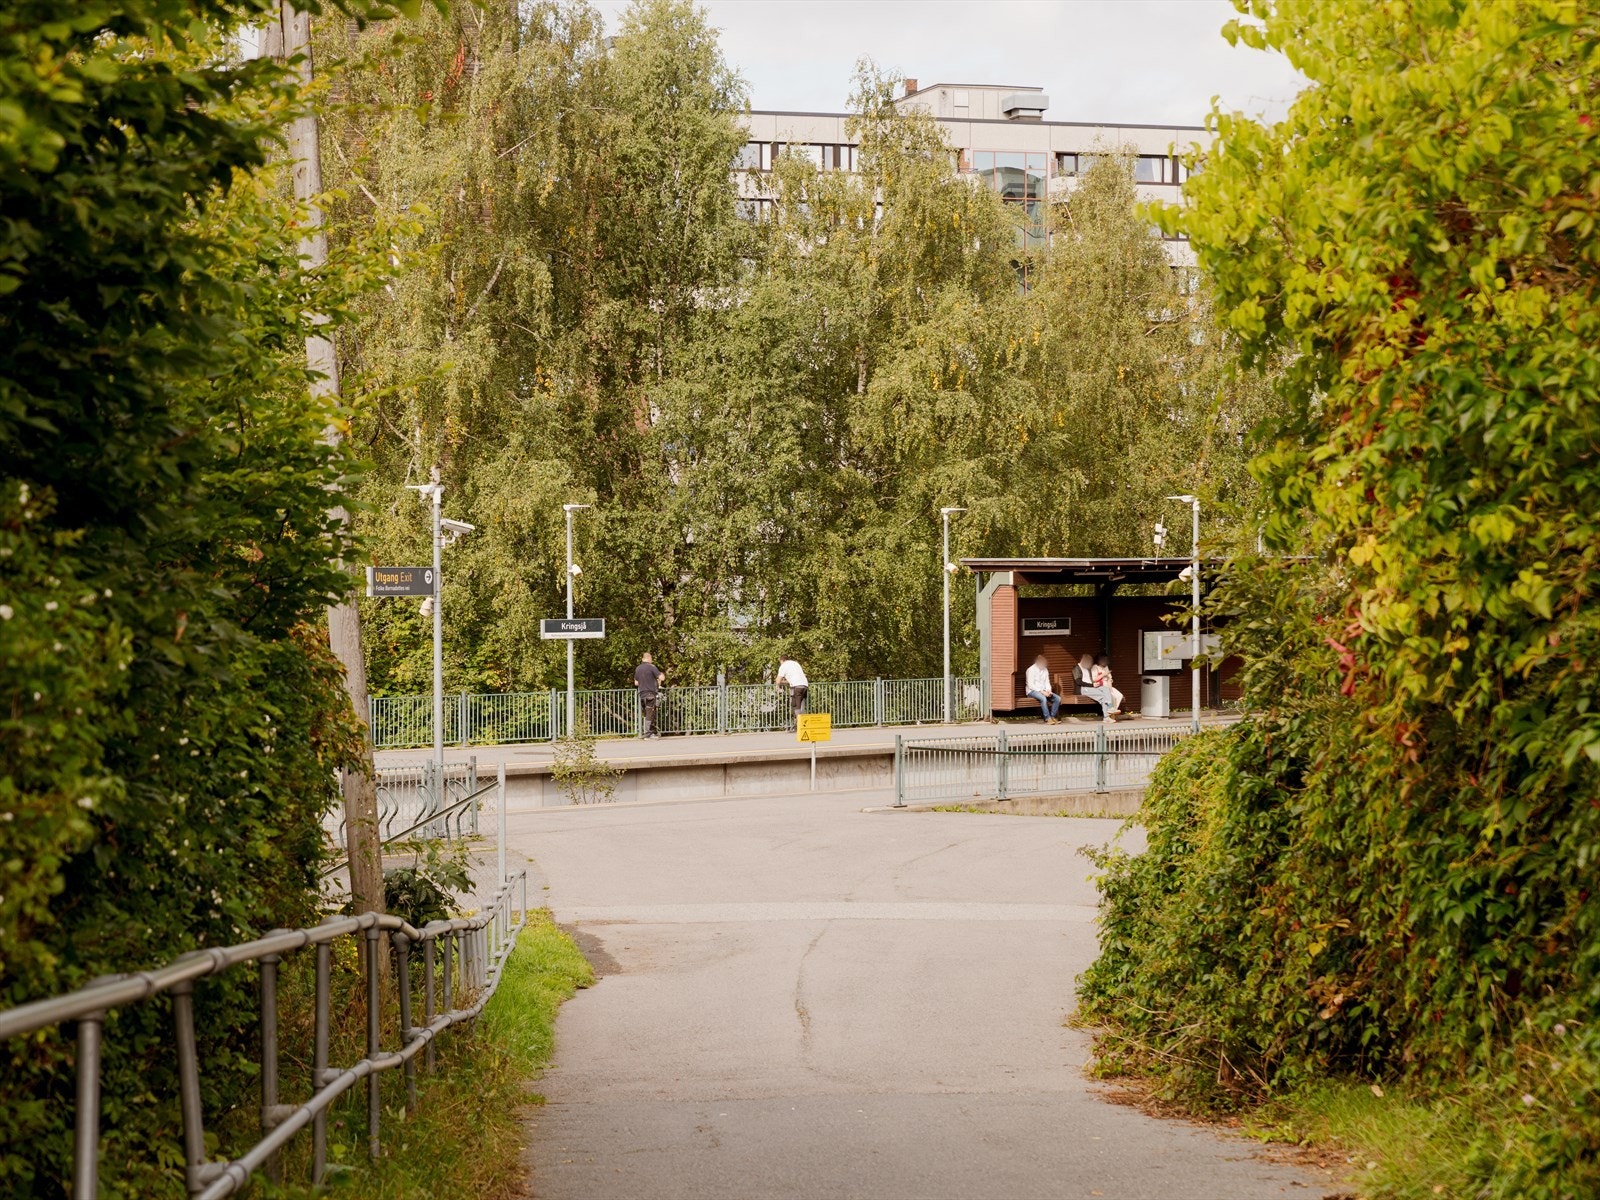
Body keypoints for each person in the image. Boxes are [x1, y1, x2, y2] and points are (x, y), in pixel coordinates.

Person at [1074, 651, 1118, 720]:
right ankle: (1106, 717)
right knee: (1103, 696)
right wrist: (1092, 685)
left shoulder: (1088, 668)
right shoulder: (1076, 668)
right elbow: (1078, 682)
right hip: (1083, 688)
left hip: (1091, 687)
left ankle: (1110, 707)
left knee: (1105, 689)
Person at [634, 652, 665, 738]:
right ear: (649, 658)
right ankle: (648, 733)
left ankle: (651, 732)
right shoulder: (652, 667)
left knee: (647, 713)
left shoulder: (638, 668)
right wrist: (661, 674)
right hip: (651, 693)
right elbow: (661, 678)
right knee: (650, 713)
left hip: (642, 694)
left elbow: (636, 683)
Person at [1024, 653, 1060, 723]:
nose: (1044, 665)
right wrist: (1042, 692)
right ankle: (1047, 718)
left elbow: (1047, 682)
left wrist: (1049, 691)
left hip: (1044, 691)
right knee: (1043, 698)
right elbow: (1030, 685)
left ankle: (1053, 717)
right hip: (1032, 691)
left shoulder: (1045, 670)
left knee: (1057, 698)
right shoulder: (1031, 670)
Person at [776, 654, 809, 723]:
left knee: (795, 705)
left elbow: (778, 680)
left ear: (781, 660)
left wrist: (778, 688)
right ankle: (800, 724)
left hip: (796, 687)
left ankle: (799, 724)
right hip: (804, 685)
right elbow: (791, 679)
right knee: (801, 705)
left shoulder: (783, 666)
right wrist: (783, 682)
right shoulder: (795, 663)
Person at [1093, 652, 1125, 718]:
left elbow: (1109, 678)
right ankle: (1110, 714)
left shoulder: (1106, 667)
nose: (1105, 661)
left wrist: (1110, 683)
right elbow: (1094, 679)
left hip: (1108, 686)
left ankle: (1113, 711)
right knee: (1111, 697)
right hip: (1100, 686)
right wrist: (1104, 674)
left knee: (1119, 695)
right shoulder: (1095, 667)